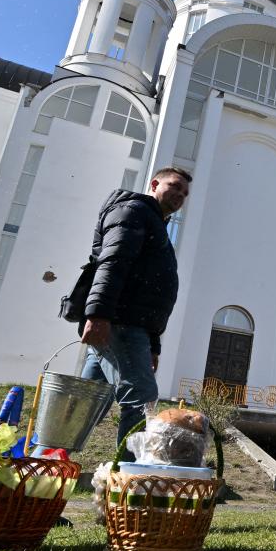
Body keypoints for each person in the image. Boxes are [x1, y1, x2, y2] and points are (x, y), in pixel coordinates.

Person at [80, 167, 191, 451]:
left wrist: (154, 345)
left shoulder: (155, 224)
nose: (180, 195)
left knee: (86, 402)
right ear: (155, 184)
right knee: (142, 395)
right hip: (120, 321)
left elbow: (151, 294)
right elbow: (113, 263)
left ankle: (48, 463)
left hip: (131, 324)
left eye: (185, 193)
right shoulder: (133, 212)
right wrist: (98, 314)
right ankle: (129, 476)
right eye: (174, 186)